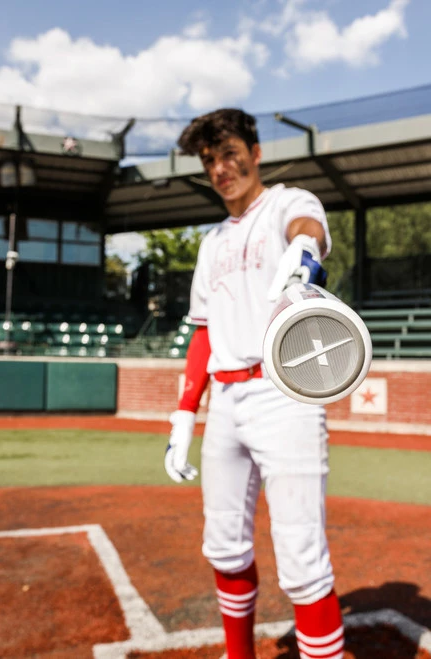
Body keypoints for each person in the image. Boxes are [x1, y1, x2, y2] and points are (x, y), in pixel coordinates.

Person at [164, 108, 344, 659]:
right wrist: (184, 414)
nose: (221, 168)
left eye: (230, 154)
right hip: (225, 400)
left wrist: (303, 249)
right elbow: (203, 333)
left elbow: (307, 228)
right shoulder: (211, 242)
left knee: (302, 559)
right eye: (210, 161)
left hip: (284, 393)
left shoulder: (287, 202)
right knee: (224, 545)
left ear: (256, 153)